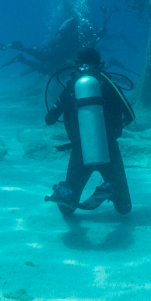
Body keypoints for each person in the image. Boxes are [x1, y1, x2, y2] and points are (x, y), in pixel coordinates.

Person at [43, 46, 135, 216]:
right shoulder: (110, 85)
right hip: (110, 150)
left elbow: (49, 120)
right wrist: (109, 129)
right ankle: (107, 190)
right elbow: (130, 116)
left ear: (77, 64)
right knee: (124, 208)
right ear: (100, 64)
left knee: (66, 208)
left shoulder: (72, 88)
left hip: (80, 151)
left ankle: (63, 193)